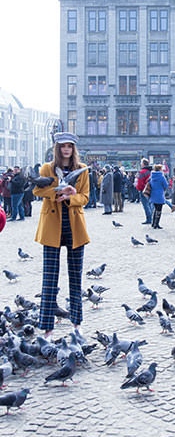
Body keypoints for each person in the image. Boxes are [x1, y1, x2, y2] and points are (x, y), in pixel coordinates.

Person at [32, 132, 89, 337]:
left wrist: (71, 195)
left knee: (75, 277)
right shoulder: (47, 168)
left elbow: (85, 197)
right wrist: (56, 193)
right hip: (52, 227)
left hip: (75, 227)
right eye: (63, 146)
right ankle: (47, 325)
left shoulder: (82, 169)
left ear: (74, 149)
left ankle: (76, 322)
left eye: (70, 146)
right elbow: (37, 191)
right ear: (57, 148)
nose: (67, 150)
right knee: (50, 277)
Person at [149, 164, 168, 230]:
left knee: (155, 209)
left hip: (153, 194)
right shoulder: (161, 177)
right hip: (160, 195)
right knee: (159, 210)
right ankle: (156, 224)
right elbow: (166, 185)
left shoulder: (152, 176)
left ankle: (153, 222)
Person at [136, 158, 153, 224]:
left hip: (143, 190)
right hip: (150, 189)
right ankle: (151, 217)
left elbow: (140, 182)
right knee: (150, 204)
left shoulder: (142, 172)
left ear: (143, 164)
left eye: (141, 163)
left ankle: (149, 219)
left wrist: (139, 189)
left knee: (145, 205)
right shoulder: (151, 171)